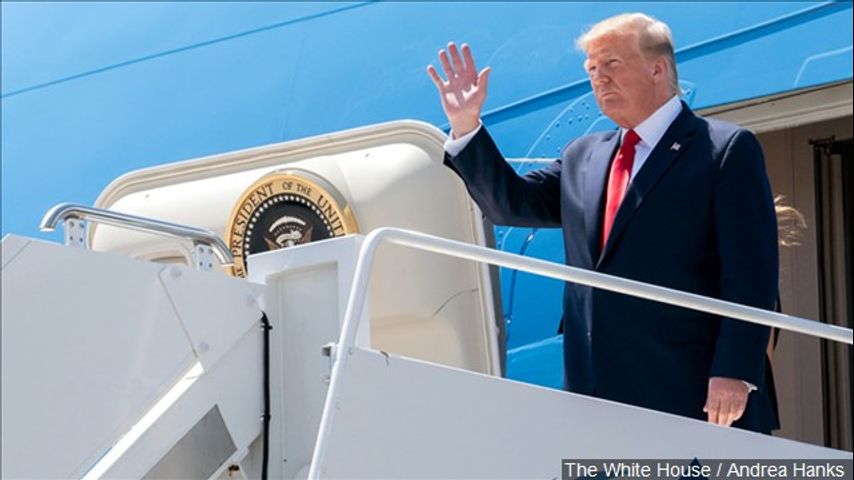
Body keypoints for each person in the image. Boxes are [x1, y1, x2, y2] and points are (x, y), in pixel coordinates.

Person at [427, 13, 780, 433]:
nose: (599, 78)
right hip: (594, 387)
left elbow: (752, 272)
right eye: (592, 68)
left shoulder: (723, 149)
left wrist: (735, 370)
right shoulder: (583, 155)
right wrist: (466, 125)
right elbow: (512, 205)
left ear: (657, 69)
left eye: (611, 63)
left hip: (689, 389)